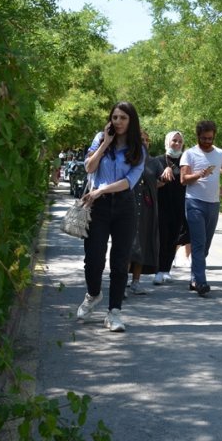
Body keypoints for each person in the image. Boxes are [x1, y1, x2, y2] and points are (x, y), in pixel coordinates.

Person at [76, 101, 146, 332]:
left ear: (131, 121)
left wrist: (102, 189)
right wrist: (105, 143)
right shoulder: (100, 139)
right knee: (93, 259)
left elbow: (129, 182)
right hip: (98, 206)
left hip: (124, 206)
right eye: (115, 117)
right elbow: (88, 167)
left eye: (123, 118)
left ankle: (114, 312)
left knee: (119, 261)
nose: (118, 122)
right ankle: (93, 294)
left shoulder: (139, 149)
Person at [180, 120, 222, 296]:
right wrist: (199, 174)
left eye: (210, 138)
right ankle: (201, 283)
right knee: (199, 242)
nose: (207, 141)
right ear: (198, 136)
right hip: (194, 201)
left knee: (205, 246)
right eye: (204, 138)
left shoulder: (219, 154)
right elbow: (183, 179)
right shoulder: (190, 154)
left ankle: (194, 278)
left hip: (213, 203)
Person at [127, 130, 161, 296]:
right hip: (128, 205)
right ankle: (121, 282)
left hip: (146, 208)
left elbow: (162, 177)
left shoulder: (154, 162)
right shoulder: (127, 159)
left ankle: (136, 282)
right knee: (128, 244)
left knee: (142, 243)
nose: (144, 143)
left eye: (147, 140)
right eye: (141, 140)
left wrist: (168, 173)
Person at [154, 130, 190, 285]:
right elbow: (149, 182)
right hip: (160, 206)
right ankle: (158, 270)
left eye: (179, 141)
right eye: (174, 141)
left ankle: (166, 270)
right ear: (167, 142)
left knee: (173, 239)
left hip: (179, 205)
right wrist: (161, 178)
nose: (177, 144)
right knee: (161, 238)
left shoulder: (185, 161)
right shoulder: (157, 161)